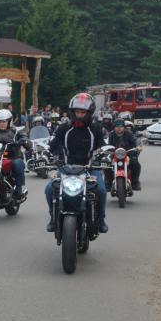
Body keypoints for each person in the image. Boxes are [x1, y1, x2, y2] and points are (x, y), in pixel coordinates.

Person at [45, 93, 108, 233]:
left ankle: (101, 220)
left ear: (89, 113)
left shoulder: (96, 129)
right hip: (66, 168)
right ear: (72, 112)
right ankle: (53, 218)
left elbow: (104, 147)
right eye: (77, 112)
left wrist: (105, 156)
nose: (79, 115)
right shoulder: (63, 128)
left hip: (89, 168)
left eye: (83, 112)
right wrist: (46, 154)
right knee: (49, 189)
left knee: (101, 191)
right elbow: (52, 145)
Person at [0, 109, 30, 198]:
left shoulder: (16, 131)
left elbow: (25, 139)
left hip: (12, 157)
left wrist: (24, 141)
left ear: (9, 121)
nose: (2, 124)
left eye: (4, 121)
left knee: (18, 163)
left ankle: (18, 189)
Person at [105, 119, 142, 191]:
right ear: (114, 127)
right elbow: (108, 144)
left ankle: (135, 183)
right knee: (106, 164)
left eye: (121, 126)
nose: (119, 128)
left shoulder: (129, 134)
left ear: (124, 127)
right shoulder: (111, 134)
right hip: (115, 154)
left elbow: (136, 140)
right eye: (117, 126)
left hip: (128, 154)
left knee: (135, 163)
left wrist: (138, 146)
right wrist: (106, 149)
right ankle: (108, 183)